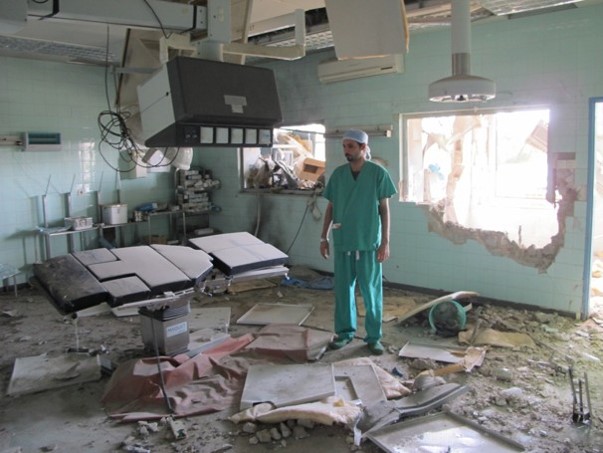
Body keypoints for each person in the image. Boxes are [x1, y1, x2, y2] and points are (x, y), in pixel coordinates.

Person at [320, 129, 397, 355]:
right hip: (344, 240)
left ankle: (373, 337)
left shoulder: (377, 173)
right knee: (343, 291)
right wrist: (323, 237)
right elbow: (331, 207)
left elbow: (384, 210)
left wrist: (385, 242)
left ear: (363, 148)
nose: (346, 151)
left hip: (368, 242)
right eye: (344, 146)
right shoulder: (338, 175)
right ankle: (345, 333)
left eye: (351, 146)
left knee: (371, 292)